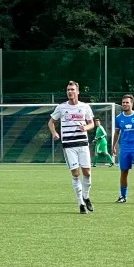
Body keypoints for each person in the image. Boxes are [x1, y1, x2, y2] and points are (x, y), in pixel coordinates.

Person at [49, 81, 95, 214]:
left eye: (72, 89)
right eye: (68, 90)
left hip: (83, 144)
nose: (70, 92)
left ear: (78, 91)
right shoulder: (61, 107)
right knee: (76, 174)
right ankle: (80, 203)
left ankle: (86, 197)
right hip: (69, 145)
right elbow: (51, 122)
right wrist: (54, 133)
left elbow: (91, 123)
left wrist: (85, 127)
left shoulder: (85, 107)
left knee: (87, 173)